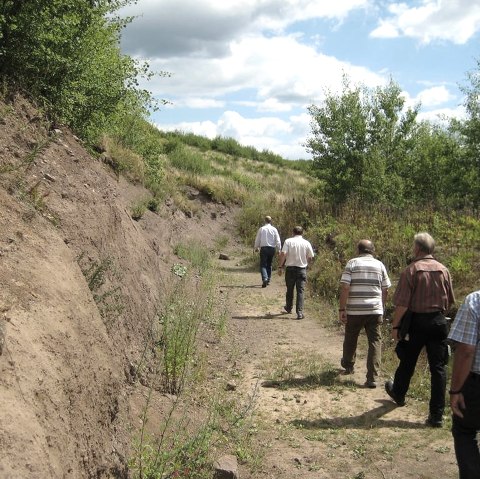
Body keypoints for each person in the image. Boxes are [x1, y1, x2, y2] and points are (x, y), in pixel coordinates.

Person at [385, 232, 455, 428]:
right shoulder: (444, 270)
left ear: (417, 248)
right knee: (438, 368)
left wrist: (396, 326)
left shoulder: (412, 270)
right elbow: (449, 301)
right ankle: (437, 415)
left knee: (408, 359)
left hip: (417, 322)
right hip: (439, 322)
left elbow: (402, 305)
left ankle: (399, 392)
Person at [338, 240, 391, 388]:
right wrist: (382, 306)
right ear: (373, 250)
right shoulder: (380, 265)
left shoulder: (352, 264)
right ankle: (372, 377)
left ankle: (348, 364)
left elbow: (345, 287)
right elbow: (386, 288)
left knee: (351, 336)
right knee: (375, 341)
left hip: (355, 309)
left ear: (358, 250)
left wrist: (342, 309)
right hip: (375, 310)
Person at [448, 291, 480, 479]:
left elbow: (466, 351)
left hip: (477, 384)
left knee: (465, 431)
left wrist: (455, 390)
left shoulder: (475, 300)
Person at [278, 226, 314, 320]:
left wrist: (280, 266)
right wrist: (306, 263)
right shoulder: (306, 243)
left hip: (290, 269)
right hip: (301, 269)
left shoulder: (288, 241)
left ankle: (289, 307)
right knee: (300, 291)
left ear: (293, 232)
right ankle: (300, 312)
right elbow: (310, 256)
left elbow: (283, 254)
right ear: (302, 233)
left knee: (290, 289)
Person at [254, 215, 281, 287]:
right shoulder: (274, 229)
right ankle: (268, 279)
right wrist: (279, 249)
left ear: (265, 221)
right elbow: (278, 240)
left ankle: (265, 278)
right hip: (272, 248)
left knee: (263, 264)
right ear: (271, 221)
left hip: (264, 248)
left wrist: (256, 247)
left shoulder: (262, 229)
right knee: (269, 264)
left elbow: (258, 239)